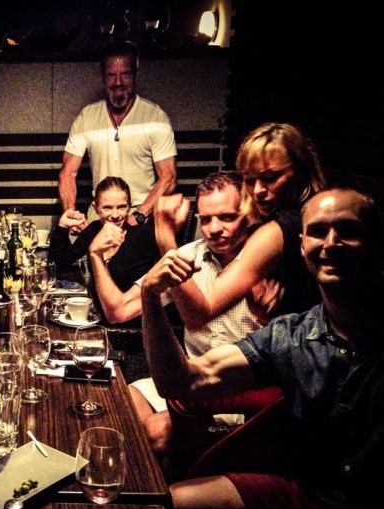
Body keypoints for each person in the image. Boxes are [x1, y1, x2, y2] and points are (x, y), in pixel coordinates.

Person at [141, 187, 384, 509]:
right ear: (301, 245)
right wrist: (150, 298)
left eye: (347, 230)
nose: (331, 243)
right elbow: (182, 381)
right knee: (164, 505)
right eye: (318, 231)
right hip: (307, 493)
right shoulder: (293, 334)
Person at [89, 172, 275, 453]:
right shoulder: (190, 254)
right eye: (206, 219)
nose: (214, 229)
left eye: (227, 217)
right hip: (187, 380)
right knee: (121, 403)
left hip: (239, 394)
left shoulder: (266, 262)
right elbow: (118, 310)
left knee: (156, 431)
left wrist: (265, 318)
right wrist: (95, 256)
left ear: (249, 215)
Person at [153, 122, 327, 327]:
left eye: (270, 178)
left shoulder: (279, 230)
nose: (258, 190)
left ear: (301, 171)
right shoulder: (310, 212)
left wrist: (165, 236)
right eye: (249, 180)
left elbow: (198, 316)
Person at [58, 40, 177, 230]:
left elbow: (168, 177)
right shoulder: (87, 117)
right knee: (71, 244)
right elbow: (68, 172)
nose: (118, 82)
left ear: (136, 74)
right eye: (111, 75)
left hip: (140, 213)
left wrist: (139, 215)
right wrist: (70, 213)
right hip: (100, 213)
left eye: (125, 74)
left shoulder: (155, 118)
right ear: (103, 77)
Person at [49, 176, 160, 329]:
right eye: (107, 208)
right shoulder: (94, 230)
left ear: (130, 207)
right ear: (96, 208)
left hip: (131, 325)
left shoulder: (144, 235)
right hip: (97, 318)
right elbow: (59, 264)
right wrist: (62, 227)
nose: (115, 215)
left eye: (121, 207)